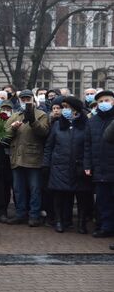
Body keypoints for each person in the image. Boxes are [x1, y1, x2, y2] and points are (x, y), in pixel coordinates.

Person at [43, 97, 92, 233]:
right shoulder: (58, 125)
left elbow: (89, 145)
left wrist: (87, 164)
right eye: (63, 107)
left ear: (75, 108)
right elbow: (49, 146)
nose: (64, 110)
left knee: (82, 196)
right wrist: (46, 164)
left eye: (66, 107)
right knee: (59, 195)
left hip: (79, 165)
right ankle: (59, 222)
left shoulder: (86, 124)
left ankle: (81, 224)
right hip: (60, 166)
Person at [5, 90, 50, 227]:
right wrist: (12, 128)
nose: (25, 101)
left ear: (33, 100)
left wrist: (32, 120)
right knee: (18, 189)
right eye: (23, 99)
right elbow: (4, 135)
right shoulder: (15, 116)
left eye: (28, 99)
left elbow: (44, 132)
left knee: (35, 188)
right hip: (16, 157)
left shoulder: (41, 115)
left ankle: (34, 215)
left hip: (34, 157)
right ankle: (20, 214)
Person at [84, 90, 114, 238]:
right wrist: (87, 165)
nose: (103, 104)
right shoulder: (92, 121)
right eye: (100, 102)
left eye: (106, 100)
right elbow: (87, 145)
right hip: (99, 167)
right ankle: (105, 227)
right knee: (102, 201)